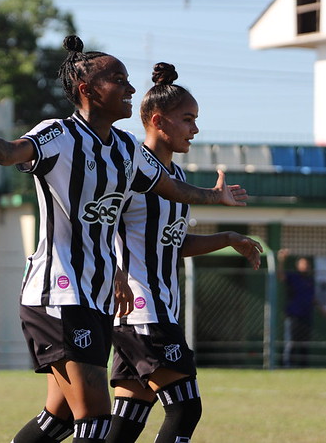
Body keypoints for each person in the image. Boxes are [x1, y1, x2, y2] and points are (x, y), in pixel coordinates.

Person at [0, 36, 248, 443]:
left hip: (97, 299)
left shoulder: (125, 148)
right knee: (98, 419)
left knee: (60, 417)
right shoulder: (58, 135)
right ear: (87, 90)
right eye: (119, 80)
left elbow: (169, 188)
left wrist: (213, 197)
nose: (130, 90)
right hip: (59, 294)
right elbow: (12, 151)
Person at [105, 62, 263, 443]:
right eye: (188, 119)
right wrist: (115, 273)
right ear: (159, 121)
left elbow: (172, 244)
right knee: (185, 407)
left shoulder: (176, 180)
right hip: (143, 310)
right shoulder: (129, 170)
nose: (195, 129)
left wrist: (227, 237)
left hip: (155, 309)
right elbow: (98, 227)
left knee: (127, 421)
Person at [276, 249, 326, 367]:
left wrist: (322, 308)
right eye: (303, 264)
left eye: (307, 264)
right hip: (293, 315)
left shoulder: (310, 280)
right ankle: (287, 364)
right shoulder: (293, 277)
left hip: (306, 315)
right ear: (298, 265)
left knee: (304, 342)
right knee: (291, 341)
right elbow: (280, 276)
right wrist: (281, 260)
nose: (305, 266)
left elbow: (312, 298)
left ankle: (303, 365)